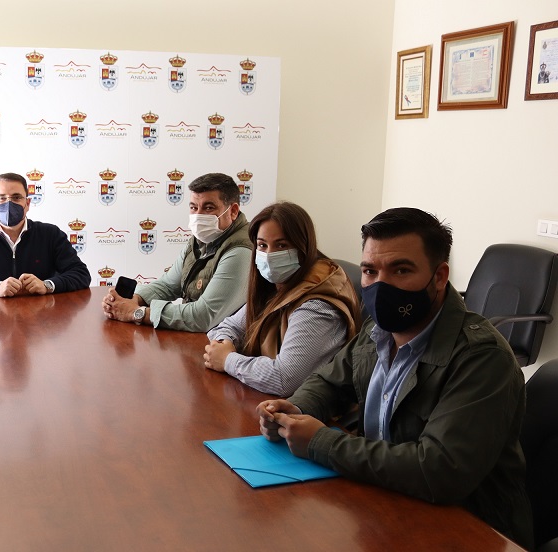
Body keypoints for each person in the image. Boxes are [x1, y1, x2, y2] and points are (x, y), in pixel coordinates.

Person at [256, 207, 533, 548]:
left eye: (401, 270)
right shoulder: (378, 329)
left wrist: (320, 442)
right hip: (383, 503)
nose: (380, 286)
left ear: (439, 276)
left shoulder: (482, 357)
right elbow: (329, 382)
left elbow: (439, 471)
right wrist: (296, 409)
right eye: (370, 271)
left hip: (468, 528)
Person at [203, 202, 360, 396]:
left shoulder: (318, 306)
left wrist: (227, 360)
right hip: (265, 400)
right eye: (262, 245)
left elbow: (284, 379)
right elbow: (228, 326)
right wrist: (224, 343)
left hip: (308, 410)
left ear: (303, 246)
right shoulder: (278, 286)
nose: (269, 255)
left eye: (281, 245)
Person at [101, 172, 252, 332]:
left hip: (225, 343)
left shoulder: (241, 251)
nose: (198, 215)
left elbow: (203, 316)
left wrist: (137, 313)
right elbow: (168, 285)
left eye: (208, 208)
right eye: (194, 207)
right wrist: (133, 300)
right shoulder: (201, 239)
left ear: (233, 211)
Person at [0, 172, 91, 296]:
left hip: (42, 317)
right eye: (2, 198)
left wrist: (47, 285)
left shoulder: (51, 234)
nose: (9, 204)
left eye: (16, 197)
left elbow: (81, 274)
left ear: (27, 203)